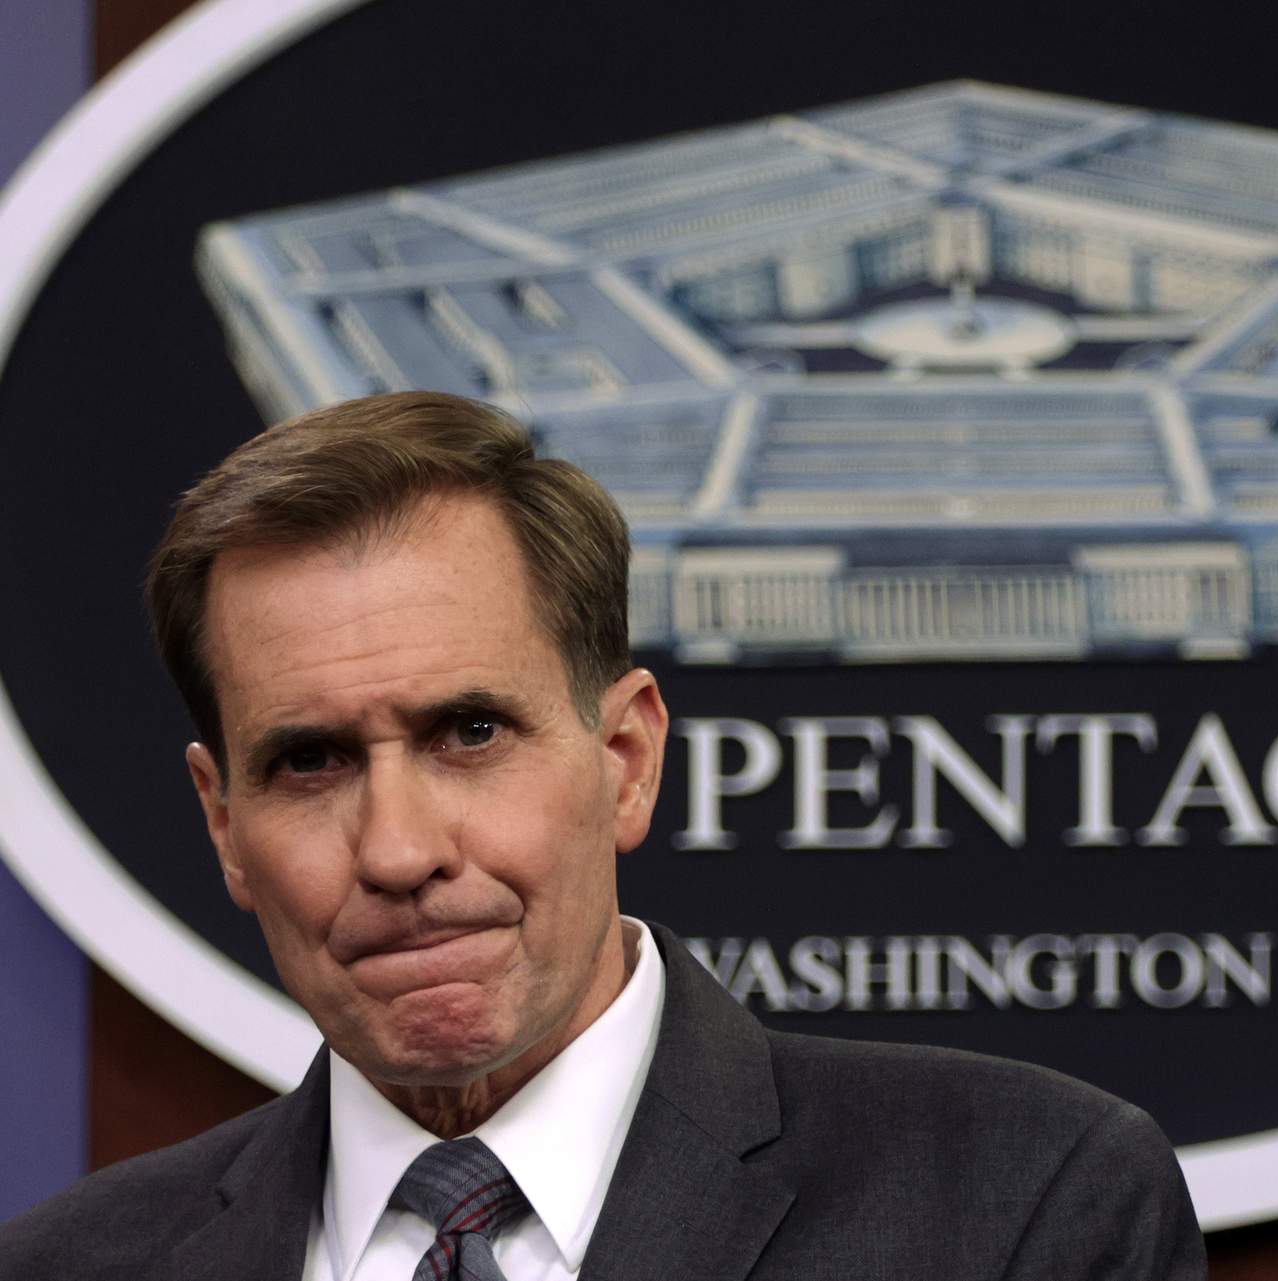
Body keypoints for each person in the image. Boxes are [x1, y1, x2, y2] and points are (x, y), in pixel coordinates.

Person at [0, 392, 1205, 1280]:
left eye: (470, 733)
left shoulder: (1015, 1204)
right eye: (309, 762)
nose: (398, 852)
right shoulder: (70, 1269)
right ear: (224, 825)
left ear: (625, 758)